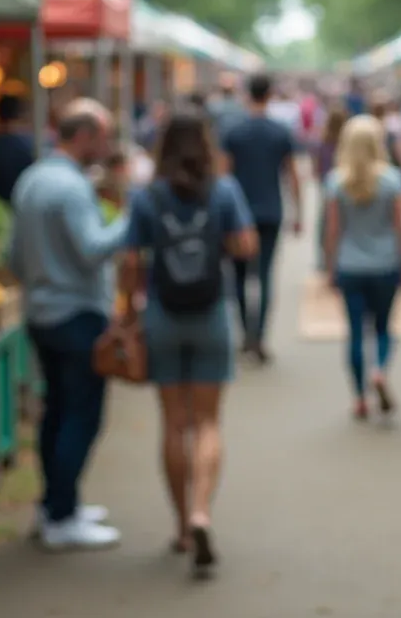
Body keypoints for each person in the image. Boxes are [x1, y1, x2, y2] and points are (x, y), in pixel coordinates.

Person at [120, 105, 257, 574]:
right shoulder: (222, 190)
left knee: (173, 424)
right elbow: (246, 246)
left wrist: (126, 314)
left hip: (162, 313)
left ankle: (180, 526)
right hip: (210, 312)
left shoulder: (147, 196)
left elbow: (131, 261)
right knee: (209, 423)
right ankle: (202, 510)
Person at [9, 98, 129, 550]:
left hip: (41, 312)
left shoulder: (32, 179)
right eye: (105, 136)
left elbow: (13, 255)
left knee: (55, 411)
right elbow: (92, 248)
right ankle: (62, 515)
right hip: (76, 314)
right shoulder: (73, 188)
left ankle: (56, 503)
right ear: (85, 136)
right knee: (81, 414)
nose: (109, 145)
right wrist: (134, 220)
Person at [324, 115, 401, 420]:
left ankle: (360, 397)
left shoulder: (337, 181)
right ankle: (379, 370)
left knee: (356, 332)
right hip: (385, 263)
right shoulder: (393, 179)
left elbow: (333, 230)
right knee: (384, 328)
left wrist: (330, 266)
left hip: (350, 264)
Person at [221, 73, 303, 362]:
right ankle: (260, 336)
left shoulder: (233, 132)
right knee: (265, 276)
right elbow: (292, 175)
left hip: (238, 215)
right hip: (270, 210)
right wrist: (298, 212)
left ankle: (246, 333)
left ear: (247, 94)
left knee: (240, 276)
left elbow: (224, 174)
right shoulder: (279, 132)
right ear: (269, 95)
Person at [315, 108, 349, 270]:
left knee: (326, 223)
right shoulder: (347, 142)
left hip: (326, 187)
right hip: (344, 186)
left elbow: (316, 167)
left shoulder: (323, 142)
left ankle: (325, 258)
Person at [208, 73, 246, 141]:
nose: (227, 83)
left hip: (237, 139)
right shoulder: (214, 102)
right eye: (224, 81)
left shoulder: (241, 102)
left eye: (229, 81)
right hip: (219, 138)